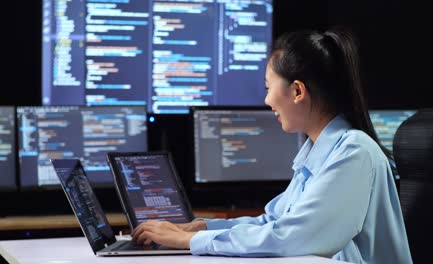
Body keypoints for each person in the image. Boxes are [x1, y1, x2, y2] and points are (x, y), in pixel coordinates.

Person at [131, 27, 413, 263]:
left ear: (297, 91)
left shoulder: (355, 152)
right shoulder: (319, 153)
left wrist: (190, 240)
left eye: (268, 87)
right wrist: (202, 227)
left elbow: (295, 237)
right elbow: (272, 223)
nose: (266, 101)